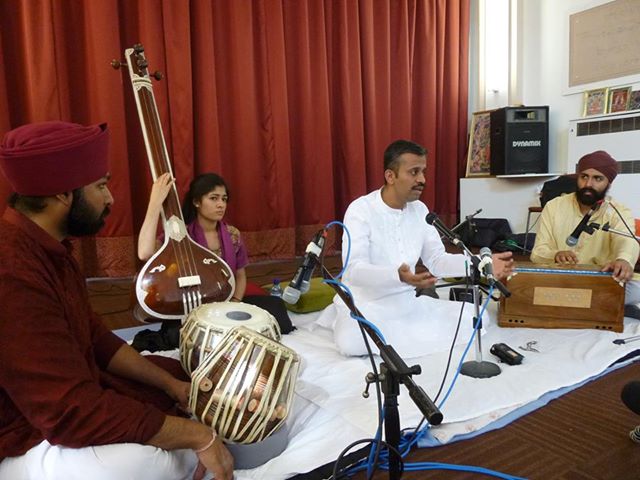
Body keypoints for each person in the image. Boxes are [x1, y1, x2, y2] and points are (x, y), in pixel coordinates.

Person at [0, 121, 233, 480]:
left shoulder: (50, 248)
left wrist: (171, 385)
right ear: (63, 194)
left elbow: (95, 339)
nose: (110, 198)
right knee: (139, 464)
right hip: (28, 430)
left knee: (191, 380)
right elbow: (69, 412)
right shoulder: (12, 269)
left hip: (74, 398)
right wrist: (198, 437)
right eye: (101, 186)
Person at [318, 139, 514, 358]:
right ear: (390, 176)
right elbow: (353, 270)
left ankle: (405, 333)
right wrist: (398, 276)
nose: (422, 180)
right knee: (351, 343)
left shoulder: (420, 210)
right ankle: (347, 319)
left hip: (405, 303)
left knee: (475, 317)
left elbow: (438, 261)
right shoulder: (360, 210)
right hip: (367, 303)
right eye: (414, 172)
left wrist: (481, 264)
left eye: (423, 172)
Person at [531, 150, 640, 318]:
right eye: (584, 177)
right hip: (560, 279)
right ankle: (606, 304)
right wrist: (556, 255)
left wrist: (623, 259)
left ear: (608, 183)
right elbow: (538, 252)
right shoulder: (554, 207)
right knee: (520, 284)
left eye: (597, 178)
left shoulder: (618, 211)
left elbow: (626, 240)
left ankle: (582, 304)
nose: (588, 184)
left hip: (600, 280)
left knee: (637, 288)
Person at [138, 172, 251, 301]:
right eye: (214, 198)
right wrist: (155, 203)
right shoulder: (181, 235)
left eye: (224, 199)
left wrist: (235, 302)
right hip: (192, 305)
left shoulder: (233, 234)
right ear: (197, 202)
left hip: (227, 303)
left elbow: (240, 275)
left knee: (273, 306)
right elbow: (145, 253)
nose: (221, 204)